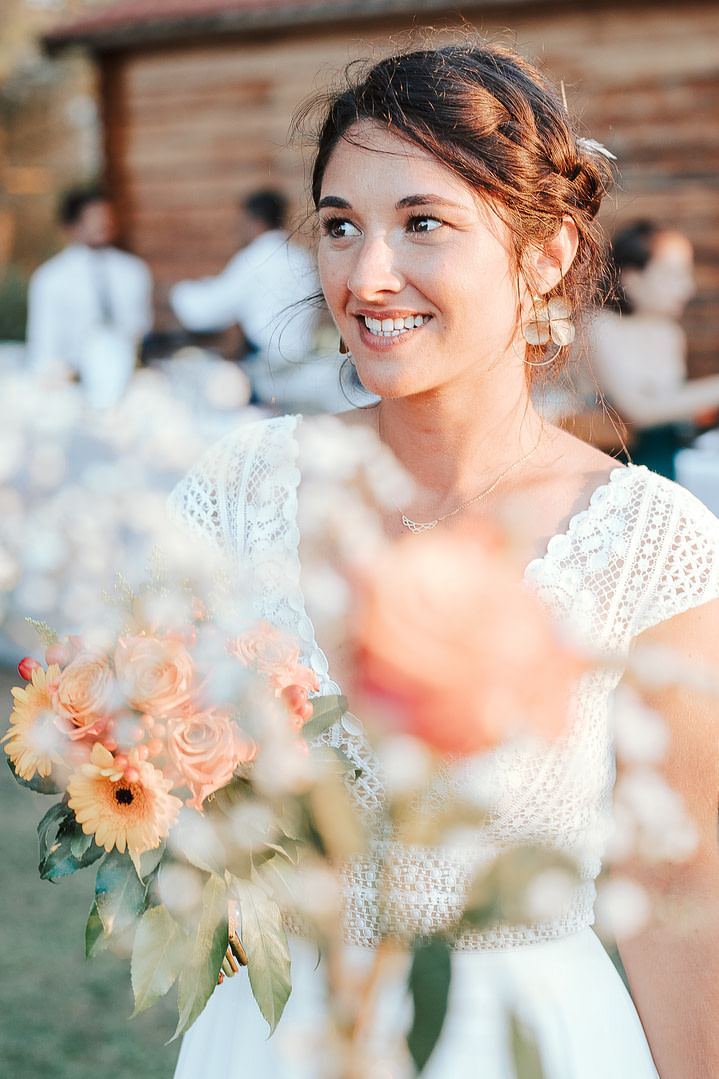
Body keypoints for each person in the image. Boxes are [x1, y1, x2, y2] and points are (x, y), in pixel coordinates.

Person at [169, 41, 719, 1078]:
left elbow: (681, 895)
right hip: (271, 1036)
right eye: (340, 225)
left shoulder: (651, 544)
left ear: (545, 253)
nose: (366, 275)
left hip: (524, 1042)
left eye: (422, 222)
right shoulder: (235, 492)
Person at [580, 220, 719, 478]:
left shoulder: (669, 332)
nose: (688, 288)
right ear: (632, 278)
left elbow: (674, 408)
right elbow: (640, 411)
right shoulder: (597, 327)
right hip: (611, 473)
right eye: (673, 276)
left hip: (667, 468)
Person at [169, 190, 324, 408]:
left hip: (265, 371)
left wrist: (177, 293)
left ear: (255, 221)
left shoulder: (254, 259)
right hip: (301, 368)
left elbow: (209, 309)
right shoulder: (301, 258)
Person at [26, 185, 154, 407]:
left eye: (105, 216)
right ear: (72, 225)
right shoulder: (50, 278)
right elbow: (43, 345)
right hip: (70, 388)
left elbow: (142, 327)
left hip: (127, 384)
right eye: (93, 217)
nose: (102, 223)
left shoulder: (133, 271)